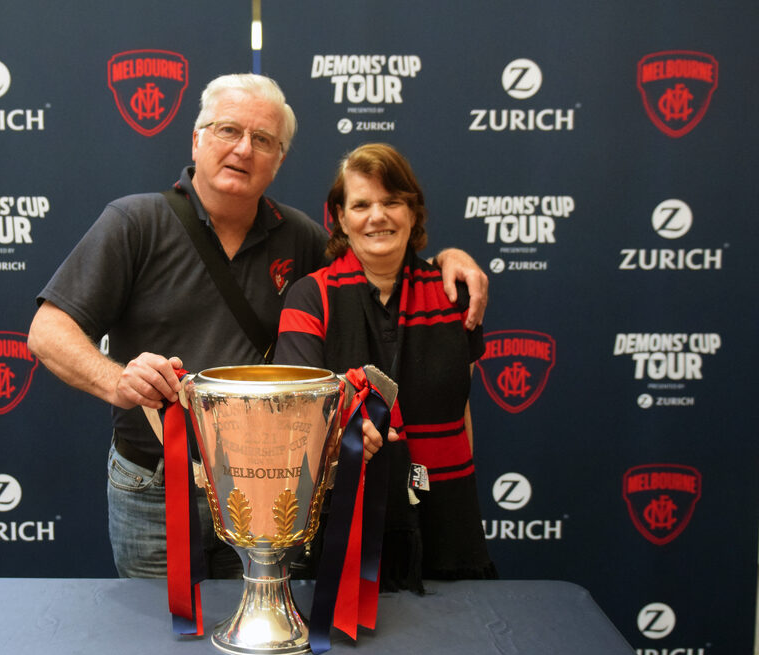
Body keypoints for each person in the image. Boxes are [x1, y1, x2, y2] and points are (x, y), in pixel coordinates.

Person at [28, 74, 489, 579]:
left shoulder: (301, 238)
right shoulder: (134, 222)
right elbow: (47, 332)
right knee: (161, 627)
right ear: (197, 139)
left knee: (262, 624)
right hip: (156, 489)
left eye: (263, 139)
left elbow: (378, 262)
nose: (244, 149)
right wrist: (118, 381)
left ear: (279, 158)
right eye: (228, 130)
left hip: (266, 491)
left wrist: (446, 261)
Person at [274, 142, 497, 591]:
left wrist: (460, 498)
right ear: (340, 218)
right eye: (361, 205)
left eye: (392, 201)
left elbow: (461, 411)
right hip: (346, 517)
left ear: (413, 212)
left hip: (448, 518)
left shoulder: (455, 296)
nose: (377, 216)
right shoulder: (310, 296)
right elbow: (297, 413)